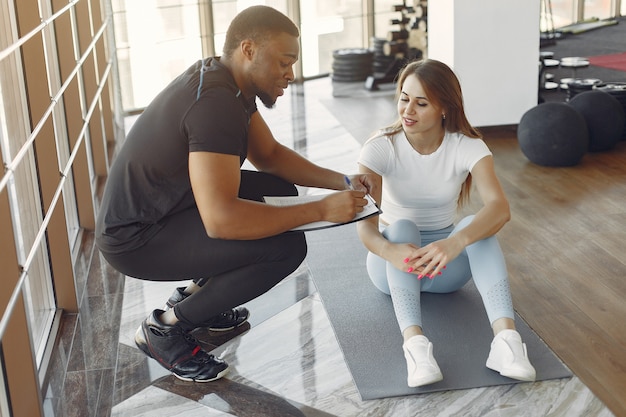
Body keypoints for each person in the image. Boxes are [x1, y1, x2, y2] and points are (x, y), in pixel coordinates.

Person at [95, 5, 372, 383]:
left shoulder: (226, 82)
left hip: (167, 209)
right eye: (284, 62)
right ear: (248, 50)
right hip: (136, 239)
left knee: (277, 191)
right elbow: (222, 219)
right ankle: (165, 328)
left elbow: (269, 156)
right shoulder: (216, 105)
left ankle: (196, 297)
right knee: (286, 248)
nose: (290, 74)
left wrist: (344, 182)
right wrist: (321, 208)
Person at [356, 59, 536, 388]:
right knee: (403, 228)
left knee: (475, 226)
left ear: (444, 108)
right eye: (404, 98)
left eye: (421, 103)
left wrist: (454, 243)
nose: (407, 110)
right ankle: (415, 348)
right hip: (391, 266)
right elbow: (364, 224)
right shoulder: (381, 146)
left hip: (445, 268)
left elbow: (499, 208)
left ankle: (507, 343)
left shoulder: (466, 146)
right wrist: (391, 251)